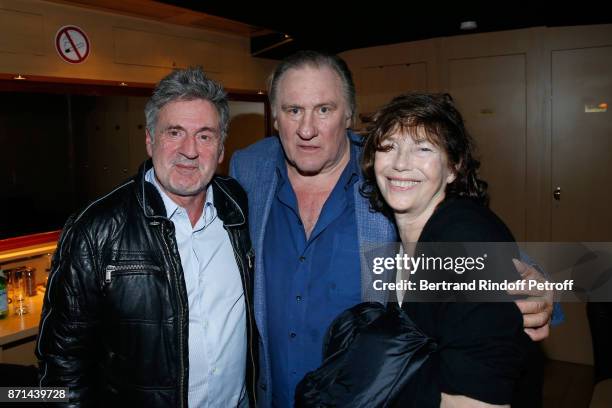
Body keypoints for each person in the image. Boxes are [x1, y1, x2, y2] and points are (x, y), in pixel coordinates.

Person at [229, 50, 553, 407]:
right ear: (275, 117)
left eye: (324, 109)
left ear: (349, 115)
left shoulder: (388, 174)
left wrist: (534, 283)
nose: (307, 129)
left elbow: (478, 249)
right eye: (293, 110)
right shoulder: (250, 168)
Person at [36, 67, 258, 407]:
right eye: (174, 133)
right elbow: (62, 367)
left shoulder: (240, 210)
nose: (189, 150)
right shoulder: (95, 231)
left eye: (205, 135)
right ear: (150, 140)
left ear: (221, 149)